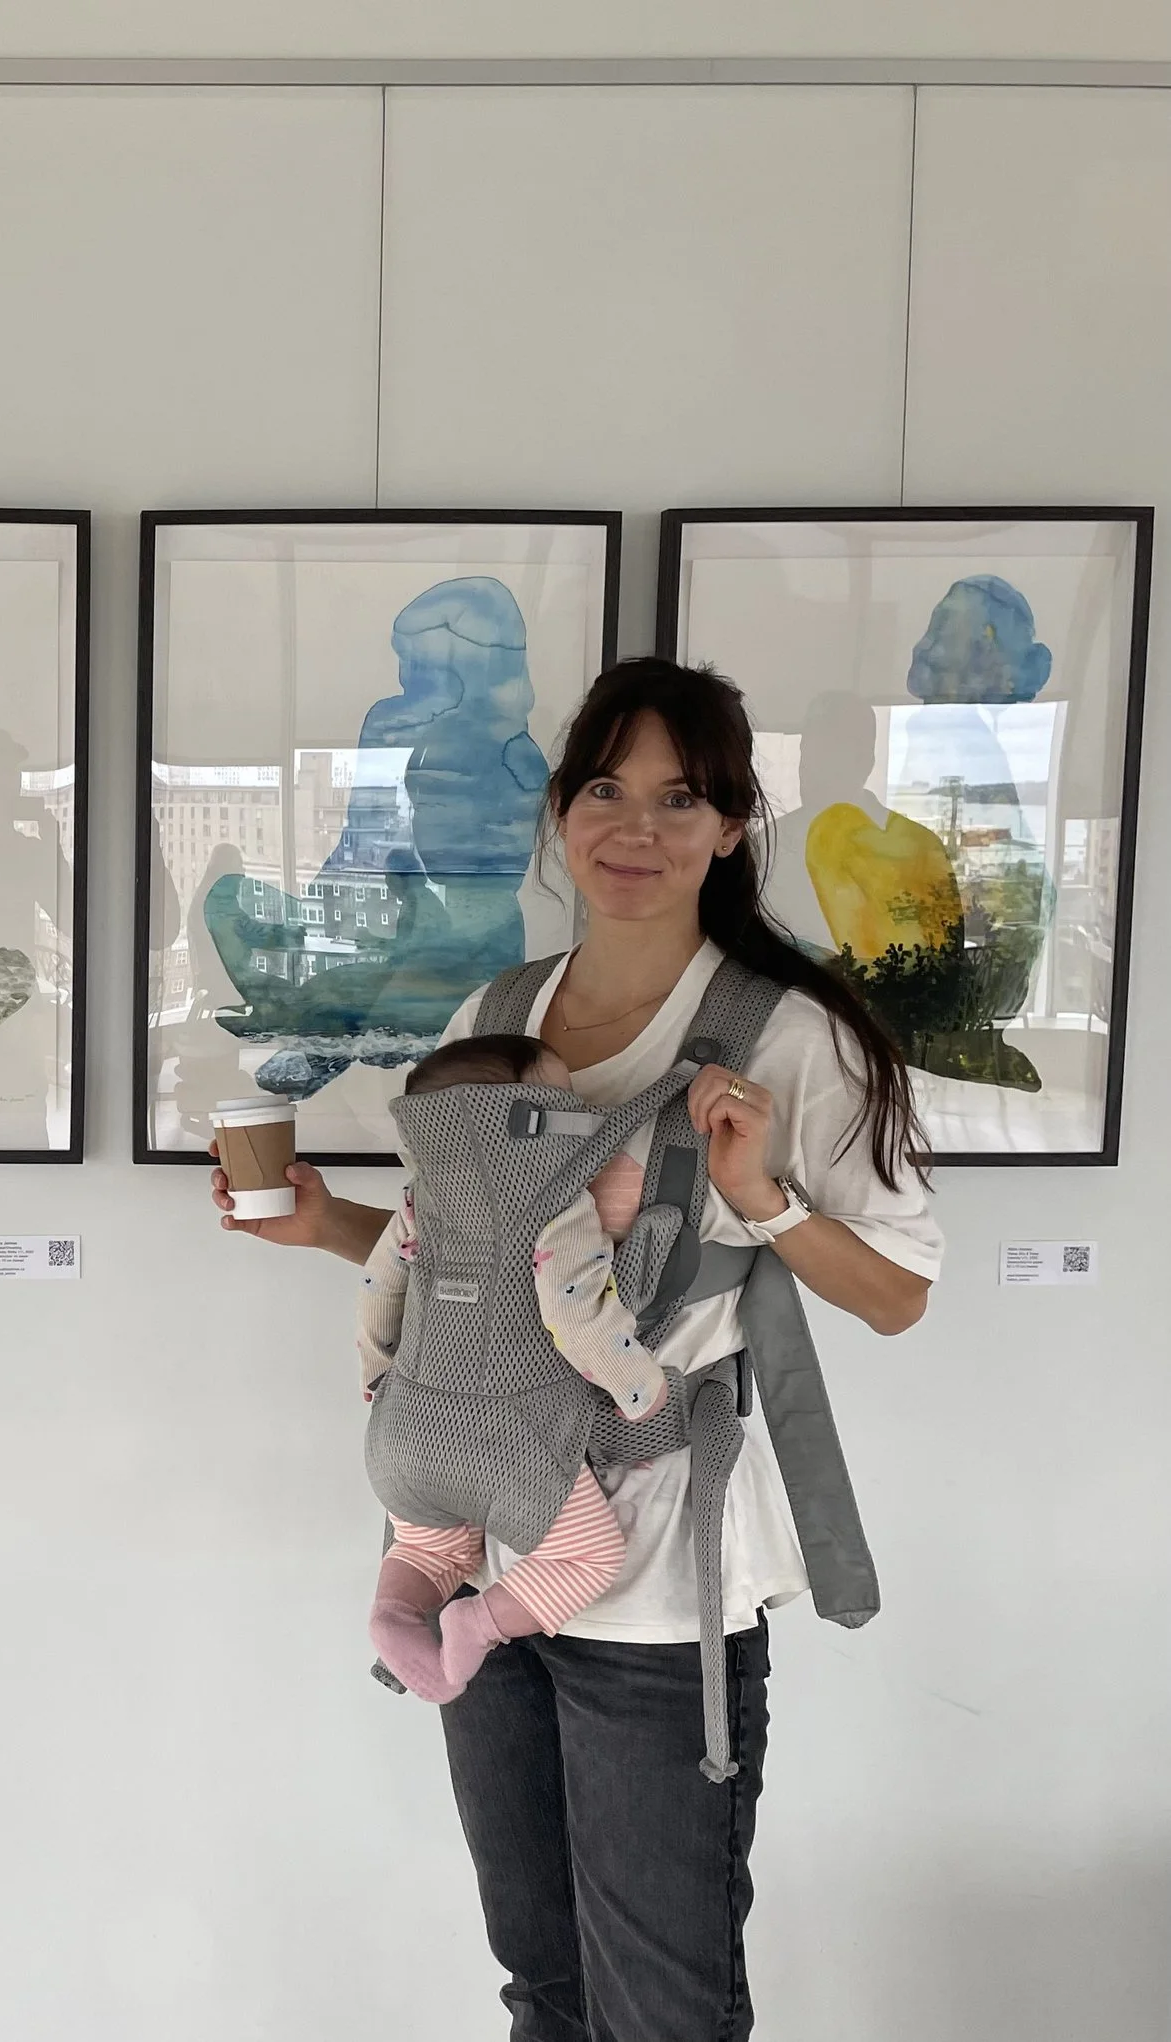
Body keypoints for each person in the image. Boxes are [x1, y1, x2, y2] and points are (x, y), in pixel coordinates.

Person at [212, 657, 940, 2042]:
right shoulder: (494, 1016)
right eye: (606, 786)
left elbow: (898, 1292)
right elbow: (467, 1256)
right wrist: (320, 1223)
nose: (637, 827)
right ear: (560, 809)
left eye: (682, 797)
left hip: (659, 1580)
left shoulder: (789, 1036)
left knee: (662, 2004)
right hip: (485, 1548)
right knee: (541, 1980)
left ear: (732, 827)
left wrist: (765, 1198)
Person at [357, 1033, 661, 1707]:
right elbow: (575, 1316)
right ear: (529, 1119)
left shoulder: (419, 1201)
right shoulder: (556, 1205)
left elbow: (379, 1290)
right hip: (507, 1442)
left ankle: (395, 1613)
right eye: (564, 1095)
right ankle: (478, 1620)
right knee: (585, 1556)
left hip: (403, 1431)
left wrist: (376, 1376)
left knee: (427, 1554)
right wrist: (641, 1393)